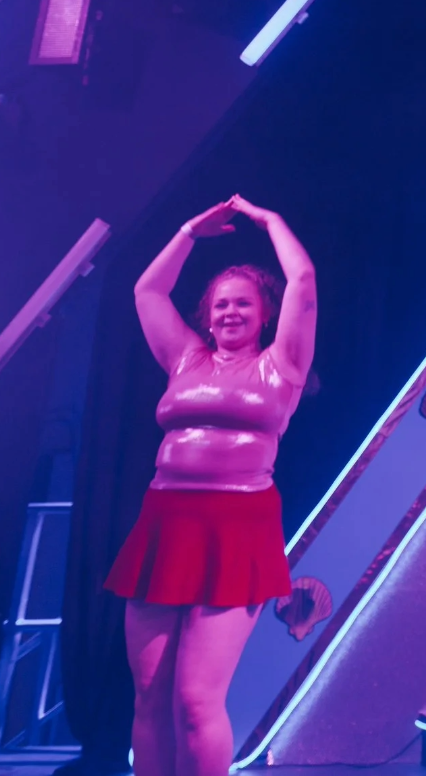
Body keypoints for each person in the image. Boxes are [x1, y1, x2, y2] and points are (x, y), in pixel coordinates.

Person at [103, 195, 316, 776]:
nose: (229, 312)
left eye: (242, 303)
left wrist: (271, 221)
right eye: (220, 303)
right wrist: (187, 233)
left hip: (236, 527)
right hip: (165, 525)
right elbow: (147, 292)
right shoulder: (185, 359)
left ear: (264, 313)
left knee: (196, 702)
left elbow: (302, 277)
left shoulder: (284, 365)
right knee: (150, 697)